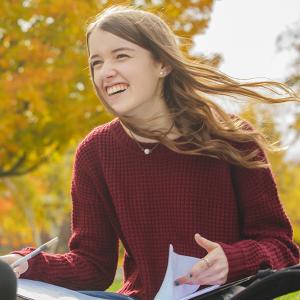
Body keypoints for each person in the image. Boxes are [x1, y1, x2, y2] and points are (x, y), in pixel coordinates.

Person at [1, 5, 300, 300]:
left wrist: (231, 260)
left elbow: (282, 248)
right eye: (97, 63)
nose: (106, 71)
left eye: (121, 56)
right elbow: (92, 265)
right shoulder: (96, 152)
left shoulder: (232, 138)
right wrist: (26, 263)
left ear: (162, 64)